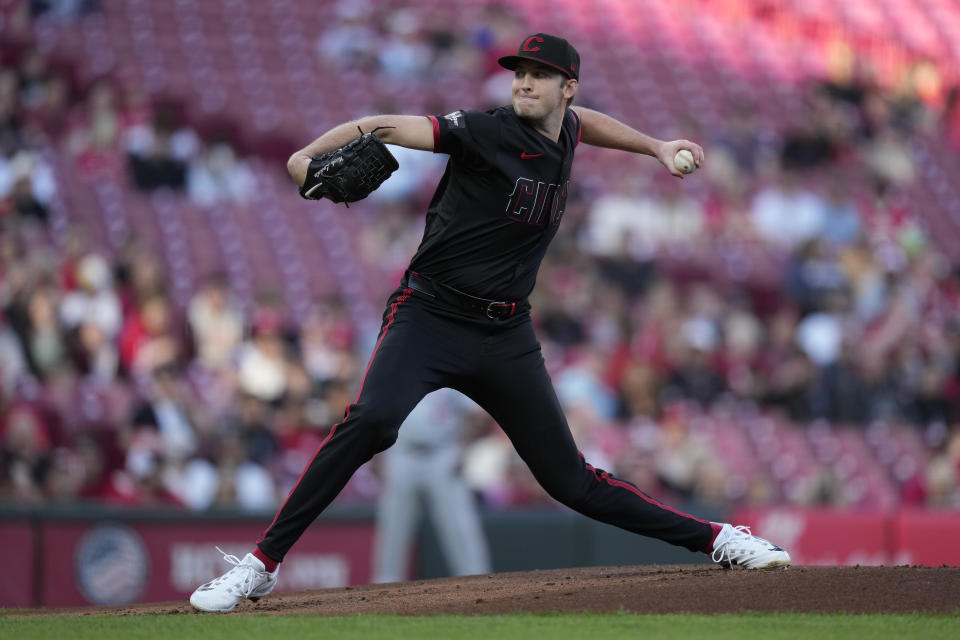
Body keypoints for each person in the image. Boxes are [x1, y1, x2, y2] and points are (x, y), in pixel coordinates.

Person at [190, 32, 790, 613]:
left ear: (567, 88)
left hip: (505, 333)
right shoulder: (483, 131)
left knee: (570, 482)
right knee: (371, 420)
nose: (524, 83)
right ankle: (261, 566)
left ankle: (718, 540)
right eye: (520, 73)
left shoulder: (568, 130)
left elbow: (588, 125)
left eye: (539, 76)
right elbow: (382, 126)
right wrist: (304, 156)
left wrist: (657, 146)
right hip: (429, 313)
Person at [372, 388, 490, 583]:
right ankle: (383, 585)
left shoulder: (452, 364)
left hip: (443, 452)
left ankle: (477, 582)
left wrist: (463, 448)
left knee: (459, 527)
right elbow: (377, 410)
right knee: (393, 528)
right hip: (401, 451)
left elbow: (476, 414)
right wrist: (376, 453)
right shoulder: (397, 364)